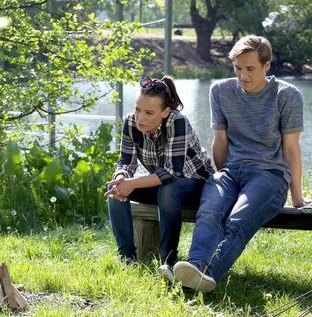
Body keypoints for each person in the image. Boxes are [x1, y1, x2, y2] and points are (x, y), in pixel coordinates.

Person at [172, 35, 306, 292]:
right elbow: (220, 142)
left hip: (270, 175)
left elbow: (291, 149)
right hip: (231, 173)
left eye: (250, 69)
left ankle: (208, 274)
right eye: (237, 68)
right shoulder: (220, 91)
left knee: (236, 221)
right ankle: (196, 265)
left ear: (267, 65)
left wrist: (297, 197)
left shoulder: (287, 96)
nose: (243, 76)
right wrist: (225, 183)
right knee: (210, 212)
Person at [106, 76, 214, 273]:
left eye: (149, 112)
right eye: (138, 109)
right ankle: (127, 258)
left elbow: (173, 172)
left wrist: (134, 182)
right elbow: (125, 161)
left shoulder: (177, 121)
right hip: (163, 183)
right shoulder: (130, 123)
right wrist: (122, 177)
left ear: (165, 112)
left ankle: (168, 261)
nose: (140, 118)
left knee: (168, 190)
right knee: (115, 188)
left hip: (197, 186)